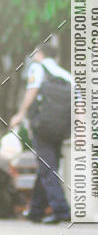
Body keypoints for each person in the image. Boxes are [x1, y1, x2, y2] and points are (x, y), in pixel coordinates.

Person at [10, 41, 72, 223]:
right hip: (61, 128)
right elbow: (78, 102)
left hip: (42, 126)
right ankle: (36, 211)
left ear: (40, 54)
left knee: (47, 167)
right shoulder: (66, 75)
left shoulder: (38, 68)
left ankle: (61, 210)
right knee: (47, 165)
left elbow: (32, 90)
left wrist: (20, 114)